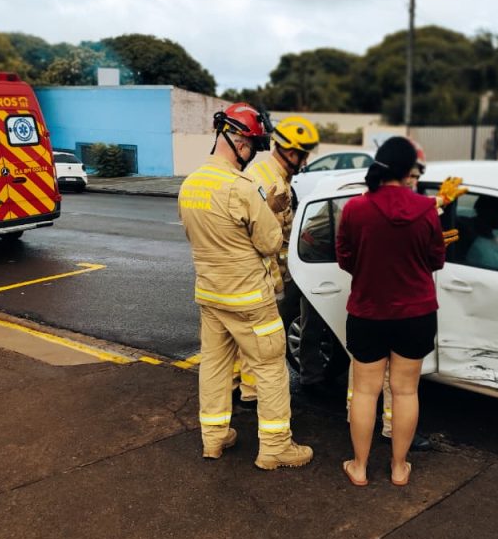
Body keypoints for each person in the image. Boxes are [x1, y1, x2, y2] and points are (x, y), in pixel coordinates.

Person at [177, 102, 313, 470]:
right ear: (236, 139)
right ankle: (275, 447)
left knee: (216, 366)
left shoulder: (190, 185)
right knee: (270, 368)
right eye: (251, 143)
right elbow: (270, 243)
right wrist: (267, 208)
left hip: (209, 292)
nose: (252, 152)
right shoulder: (239, 187)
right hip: (249, 297)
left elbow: (199, 234)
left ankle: (214, 438)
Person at [336, 136, 446, 486]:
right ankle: (399, 468)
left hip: (368, 311)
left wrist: (370, 268)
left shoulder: (355, 209)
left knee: (366, 391)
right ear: (408, 171)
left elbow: (345, 258)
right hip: (416, 314)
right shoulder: (427, 210)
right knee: (406, 391)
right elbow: (436, 260)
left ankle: (359, 467)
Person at [238, 116, 320, 403]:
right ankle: (252, 397)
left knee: (252, 342)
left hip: (270, 275)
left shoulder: (276, 177)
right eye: (305, 154)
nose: (306, 160)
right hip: (263, 278)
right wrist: (276, 287)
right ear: (292, 153)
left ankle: (245, 392)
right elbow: (261, 237)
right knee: (262, 344)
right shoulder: (267, 181)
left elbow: (283, 230)